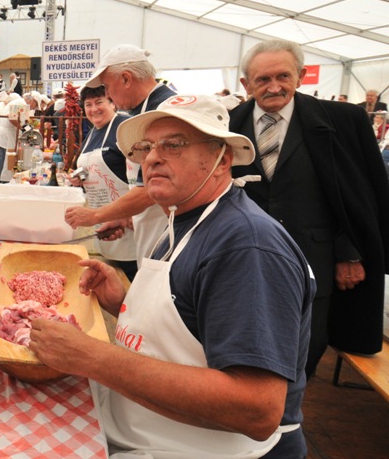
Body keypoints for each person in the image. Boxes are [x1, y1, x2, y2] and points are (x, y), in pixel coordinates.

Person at [30, 94, 315, 459]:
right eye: (147, 147)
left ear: (222, 159)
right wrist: (123, 305)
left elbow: (256, 408)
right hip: (143, 428)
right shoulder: (183, 217)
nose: (152, 158)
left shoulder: (246, 246)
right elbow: (193, 330)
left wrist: (92, 357)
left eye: (174, 145)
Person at [229, 39, 389, 379]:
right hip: (244, 259)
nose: (275, 87)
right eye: (263, 79)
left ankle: (291, 405)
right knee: (247, 344)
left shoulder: (342, 120)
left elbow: (359, 192)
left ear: (300, 76)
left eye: (283, 76)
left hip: (315, 262)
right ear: (246, 84)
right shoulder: (226, 125)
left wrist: (350, 251)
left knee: (307, 349)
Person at [64, 44, 176, 268]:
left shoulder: (162, 113)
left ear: (126, 79)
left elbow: (150, 190)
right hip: (148, 230)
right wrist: (124, 218)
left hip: (169, 236)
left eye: (107, 87)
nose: (107, 94)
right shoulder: (142, 113)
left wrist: (95, 216)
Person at [69, 85, 137, 279]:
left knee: (131, 276)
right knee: (113, 274)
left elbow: (141, 176)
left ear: (112, 103)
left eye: (99, 102)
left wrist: (130, 216)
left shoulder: (125, 128)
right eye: (88, 104)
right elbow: (95, 167)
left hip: (129, 221)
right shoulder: (92, 133)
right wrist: (80, 177)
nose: (93, 109)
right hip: (103, 220)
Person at [0, 91, 26, 183]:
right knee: (4, 173)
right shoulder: (21, 103)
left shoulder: (13, 103)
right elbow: (11, 117)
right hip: (1, 142)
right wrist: (22, 128)